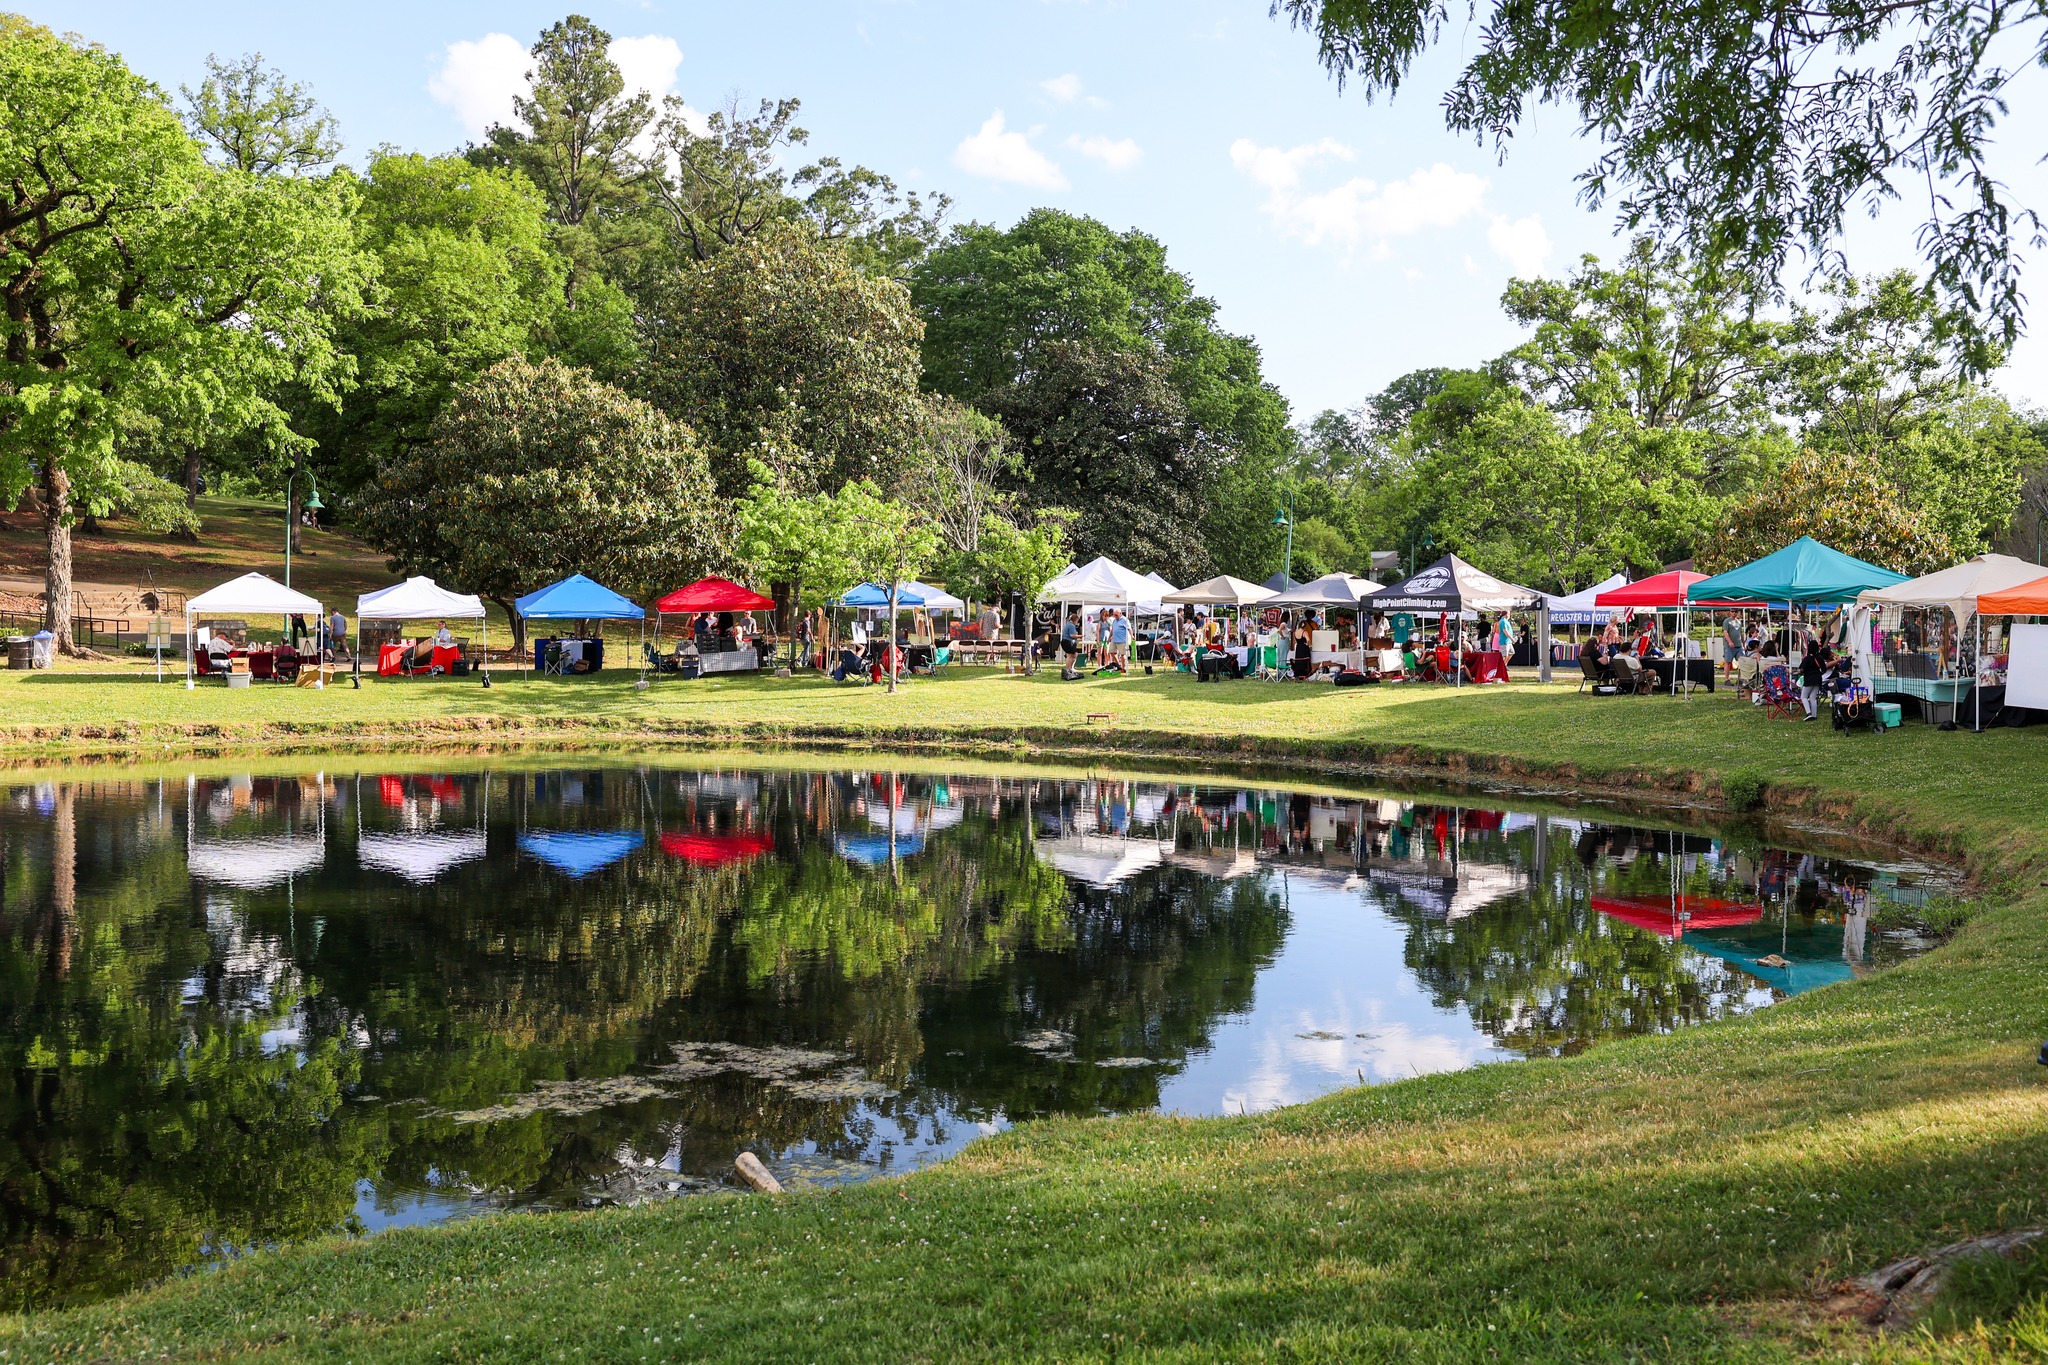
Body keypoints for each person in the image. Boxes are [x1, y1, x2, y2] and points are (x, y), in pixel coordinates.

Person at [1798, 644, 1825, 720]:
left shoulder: (1807, 658)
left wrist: (1798, 672)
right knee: (1813, 697)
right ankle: (1814, 715)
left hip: (1809, 679)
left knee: (1804, 696)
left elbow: (1802, 669)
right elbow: (1824, 669)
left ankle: (1808, 713)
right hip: (1818, 679)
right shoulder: (1820, 658)